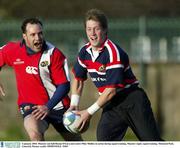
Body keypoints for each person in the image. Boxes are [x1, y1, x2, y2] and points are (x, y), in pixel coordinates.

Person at [70, 9, 163, 141]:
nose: (92, 34)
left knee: (152, 143)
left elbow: (111, 90)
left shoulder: (113, 52)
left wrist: (88, 113)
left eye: (96, 29)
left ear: (105, 30)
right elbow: (78, 79)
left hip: (132, 100)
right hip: (111, 105)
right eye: (89, 29)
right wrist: (74, 104)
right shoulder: (84, 52)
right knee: (104, 141)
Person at [0, 18, 82, 141]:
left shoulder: (53, 54)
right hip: (31, 106)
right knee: (34, 133)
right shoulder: (13, 50)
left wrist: (48, 106)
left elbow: (64, 85)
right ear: (25, 36)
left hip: (58, 105)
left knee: (75, 142)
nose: (38, 38)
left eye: (40, 33)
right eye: (33, 35)